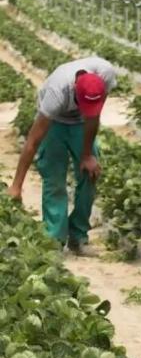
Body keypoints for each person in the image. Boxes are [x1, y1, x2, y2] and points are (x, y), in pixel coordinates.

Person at [6, 57, 116, 252]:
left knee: (90, 174)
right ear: (74, 90)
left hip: (81, 125)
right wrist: (16, 185)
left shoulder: (105, 75)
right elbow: (32, 142)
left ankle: (78, 235)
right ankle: (54, 238)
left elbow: (93, 117)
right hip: (55, 122)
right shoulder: (56, 93)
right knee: (54, 176)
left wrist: (87, 154)